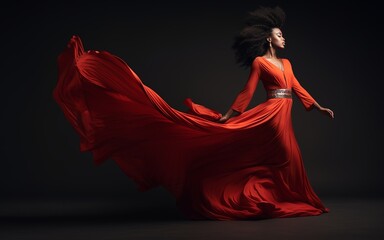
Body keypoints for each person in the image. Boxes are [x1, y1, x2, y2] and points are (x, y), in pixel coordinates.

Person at [53, 6, 334, 220]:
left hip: (285, 111)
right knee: (283, 154)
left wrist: (316, 106)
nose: (283, 37)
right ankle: (259, 196)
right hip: (270, 114)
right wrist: (229, 114)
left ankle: (285, 196)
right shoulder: (260, 62)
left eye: (283, 34)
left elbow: (297, 87)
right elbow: (247, 92)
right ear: (268, 40)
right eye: (279, 34)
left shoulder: (287, 63)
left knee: (286, 156)